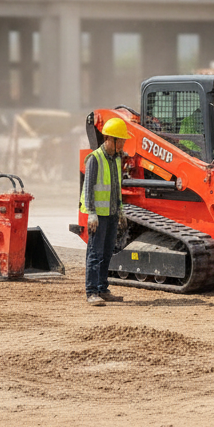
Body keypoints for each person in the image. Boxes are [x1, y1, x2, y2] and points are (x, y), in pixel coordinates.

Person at [81, 116, 128, 306]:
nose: (123, 144)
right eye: (121, 140)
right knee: (95, 253)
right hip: (98, 216)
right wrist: (92, 212)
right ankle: (91, 291)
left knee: (107, 252)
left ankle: (102, 288)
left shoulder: (116, 159)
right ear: (109, 139)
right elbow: (88, 187)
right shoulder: (95, 158)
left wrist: (121, 210)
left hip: (111, 214)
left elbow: (116, 187)